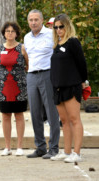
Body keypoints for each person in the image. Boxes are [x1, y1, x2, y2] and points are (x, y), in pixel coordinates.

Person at [49, 14, 88, 163]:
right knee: (64, 121)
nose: (58, 30)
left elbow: (82, 63)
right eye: (56, 27)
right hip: (57, 87)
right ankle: (66, 152)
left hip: (72, 86)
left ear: (67, 26)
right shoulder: (56, 45)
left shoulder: (73, 42)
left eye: (61, 26)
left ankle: (76, 153)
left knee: (74, 119)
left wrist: (84, 80)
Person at [24, 9, 60, 159]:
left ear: (42, 20)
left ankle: (54, 147)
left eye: (36, 19)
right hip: (31, 76)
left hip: (47, 74)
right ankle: (40, 147)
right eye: (31, 20)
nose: (33, 22)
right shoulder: (26, 37)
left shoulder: (51, 34)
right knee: (35, 113)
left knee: (51, 113)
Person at [0, 22, 28, 157]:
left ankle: (19, 147)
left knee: (19, 115)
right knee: (5, 115)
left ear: (16, 33)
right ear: (4, 33)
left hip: (19, 85)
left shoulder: (22, 48)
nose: (10, 33)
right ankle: (7, 147)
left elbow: (28, 65)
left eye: (12, 31)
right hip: (4, 86)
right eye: (7, 31)